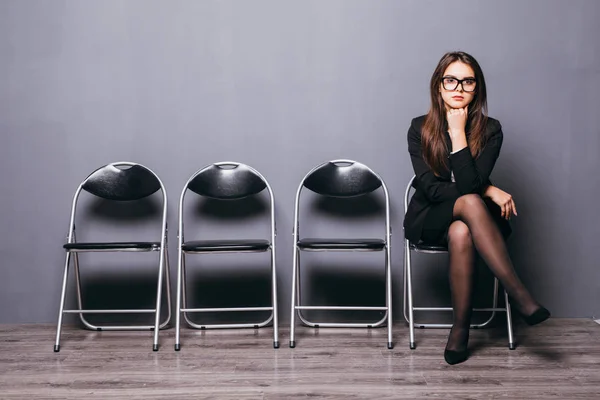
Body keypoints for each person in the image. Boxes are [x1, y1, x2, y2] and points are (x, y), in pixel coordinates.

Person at [403, 51, 550, 365]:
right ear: (438, 87)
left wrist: (460, 134)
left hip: (473, 223)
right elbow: (433, 188)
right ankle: (520, 295)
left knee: (461, 231)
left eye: (468, 81)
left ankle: (460, 331)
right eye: (451, 80)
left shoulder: (491, 129)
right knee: (469, 202)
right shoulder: (419, 128)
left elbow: (469, 185)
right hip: (429, 216)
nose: (459, 87)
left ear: (477, 89)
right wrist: (489, 189)